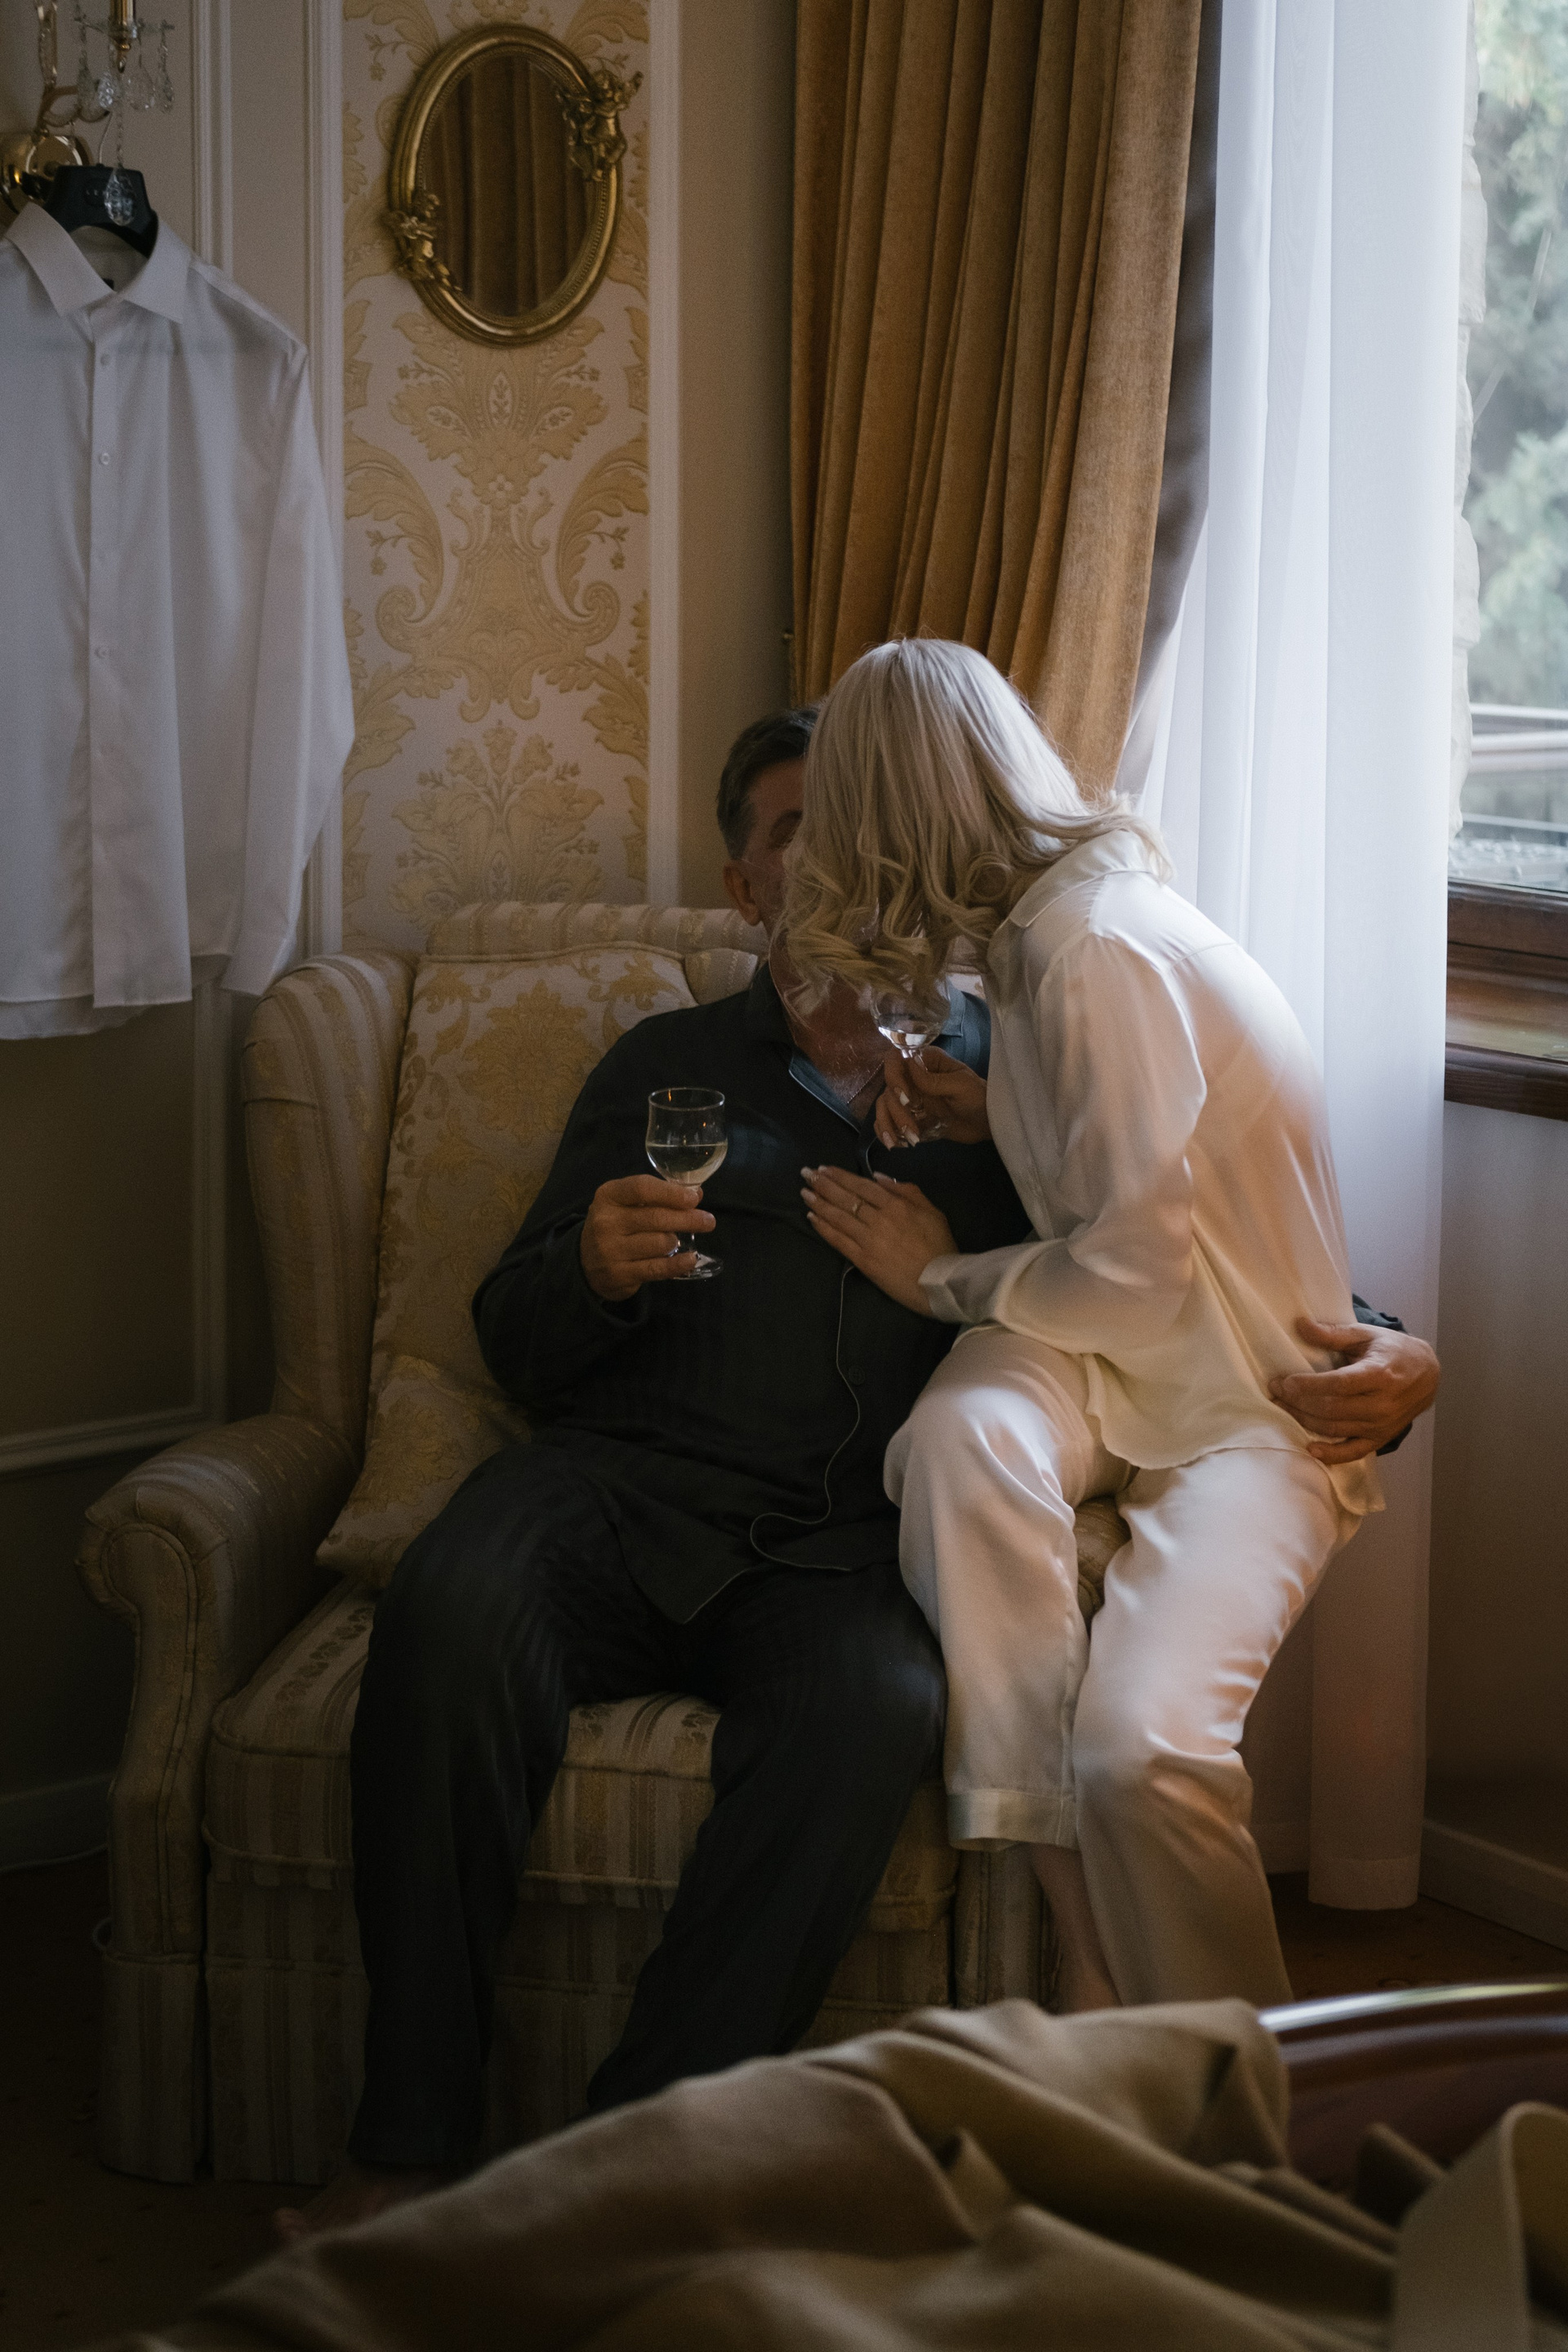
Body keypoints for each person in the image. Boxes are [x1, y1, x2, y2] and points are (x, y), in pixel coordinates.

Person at [278, 703, 1437, 2239]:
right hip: (617, 1493)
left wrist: (1390, 1350)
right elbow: (515, 1335)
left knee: (877, 1709)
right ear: (746, 885)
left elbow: (1191, 1242)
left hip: (837, 1547)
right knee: (450, 1603)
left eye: (856, 824)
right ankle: (409, 2138)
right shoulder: (663, 1062)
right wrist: (592, 1272)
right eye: (794, 833)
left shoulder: (1013, 1052)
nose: (835, 861)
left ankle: (641, 2162)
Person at [784, 639, 1441, 2020]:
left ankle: (1246, 2093)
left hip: (1254, 1398)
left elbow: (1136, 1276)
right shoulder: (1047, 938)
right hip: (1117, 1363)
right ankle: (1078, 1930)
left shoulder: (1094, 949)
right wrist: (995, 1112)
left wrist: (939, 1277)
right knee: (959, 1444)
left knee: (1143, 1754)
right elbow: (1144, 1169)